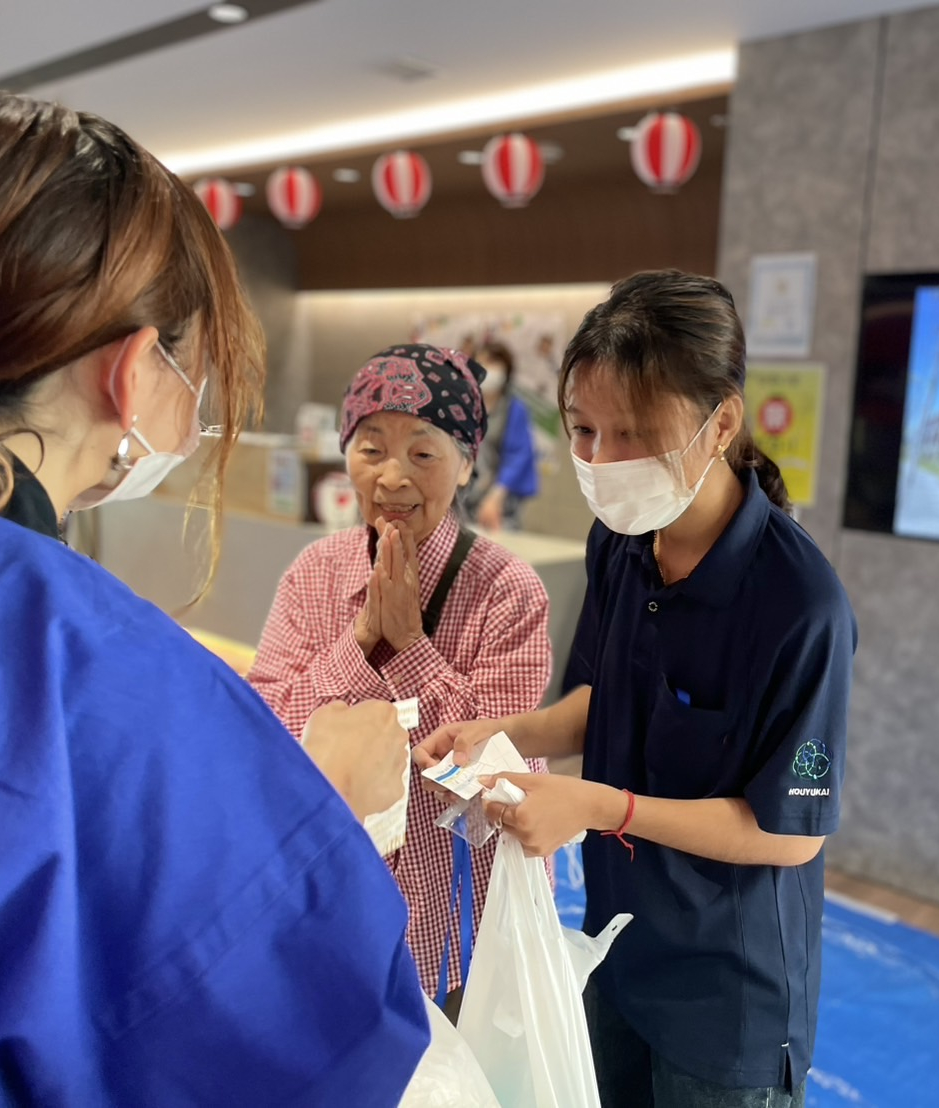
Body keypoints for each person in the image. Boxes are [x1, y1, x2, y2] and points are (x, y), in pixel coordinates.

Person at [0, 93, 428, 1106]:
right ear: (133, 370)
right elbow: (278, 1034)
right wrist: (326, 809)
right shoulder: (92, 669)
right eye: (189, 363)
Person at [417, 272, 856, 1107]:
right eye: (583, 431)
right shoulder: (621, 543)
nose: (601, 461)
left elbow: (787, 834)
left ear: (720, 423)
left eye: (634, 435)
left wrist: (598, 806)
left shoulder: (797, 604)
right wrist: (502, 734)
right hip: (616, 951)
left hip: (726, 997)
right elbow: (611, 700)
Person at [250, 343, 552, 1014]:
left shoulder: (506, 591)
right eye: (370, 449)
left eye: (422, 453)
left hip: (456, 934)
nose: (392, 477)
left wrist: (412, 647)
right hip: (326, 911)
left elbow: (501, 778)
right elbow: (265, 734)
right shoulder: (314, 575)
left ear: (466, 464)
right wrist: (360, 639)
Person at [464, 342, 540, 532]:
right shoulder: (465, 406)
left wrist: (496, 497)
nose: (489, 369)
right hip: (465, 494)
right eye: (483, 362)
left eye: (494, 363)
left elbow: (519, 456)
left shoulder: (514, 409)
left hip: (500, 497)